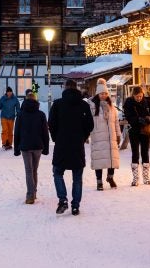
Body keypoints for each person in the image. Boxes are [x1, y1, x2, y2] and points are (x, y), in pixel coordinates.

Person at [48, 78, 94, 215]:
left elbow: (51, 124)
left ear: (65, 88)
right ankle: (75, 205)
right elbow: (90, 126)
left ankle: (63, 199)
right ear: (76, 88)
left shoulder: (57, 104)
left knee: (57, 173)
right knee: (77, 177)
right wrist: (82, 138)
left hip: (61, 145)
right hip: (77, 146)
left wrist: (56, 138)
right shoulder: (84, 106)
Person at [14, 86, 50, 204]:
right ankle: (33, 192)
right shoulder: (41, 114)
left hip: (25, 146)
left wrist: (16, 148)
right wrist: (46, 148)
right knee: (34, 170)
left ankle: (30, 195)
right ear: (35, 101)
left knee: (28, 171)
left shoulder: (21, 114)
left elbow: (17, 131)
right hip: (38, 146)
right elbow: (45, 132)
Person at [88, 77, 120, 190]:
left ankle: (110, 177)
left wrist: (118, 134)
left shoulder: (112, 107)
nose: (103, 95)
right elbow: (88, 121)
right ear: (97, 94)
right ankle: (99, 181)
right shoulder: (91, 106)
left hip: (111, 137)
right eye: (101, 93)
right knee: (99, 159)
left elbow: (116, 121)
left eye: (105, 93)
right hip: (98, 137)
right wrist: (88, 134)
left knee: (112, 158)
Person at [122, 85, 150, 185]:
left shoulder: (148, 101)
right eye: (137, 96)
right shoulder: (128, 102)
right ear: (133, 95)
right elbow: (128, 116)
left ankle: (146, 177)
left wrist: (149, 119)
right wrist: (137, 120)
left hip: (145, 130)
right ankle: (135, 178)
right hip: (134, 131)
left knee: (145, 152)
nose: (139, 98)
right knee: (135, 153)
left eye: (140, 96)